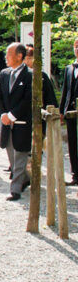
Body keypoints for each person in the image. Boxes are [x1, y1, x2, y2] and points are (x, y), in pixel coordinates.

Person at [0, 42, 32, 201]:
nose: (6, 57)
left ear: (19, 56)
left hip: (21, 122)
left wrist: (12, 115)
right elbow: (0, 96)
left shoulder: (30, 75)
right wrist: (3, 114)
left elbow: (27, 99)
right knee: (11, 153)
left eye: (9, 54)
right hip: (7, 122)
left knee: (20, 155)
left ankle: (15, 189)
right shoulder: (4, 74)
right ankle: (25, 178)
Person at [24, 45, 58, 135]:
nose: (27, 61)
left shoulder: (42, 75)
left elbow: (50, 95)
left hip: (39, 113)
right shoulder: (20, 75)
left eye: (30, 58)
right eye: (25, 58)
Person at [60, 38, 78, 186]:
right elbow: (65, 91)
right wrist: (61, 111)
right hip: (70, 110)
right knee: (72, 143)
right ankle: (74, 174)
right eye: (76, 46)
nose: (77, 49)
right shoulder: (69, 68)